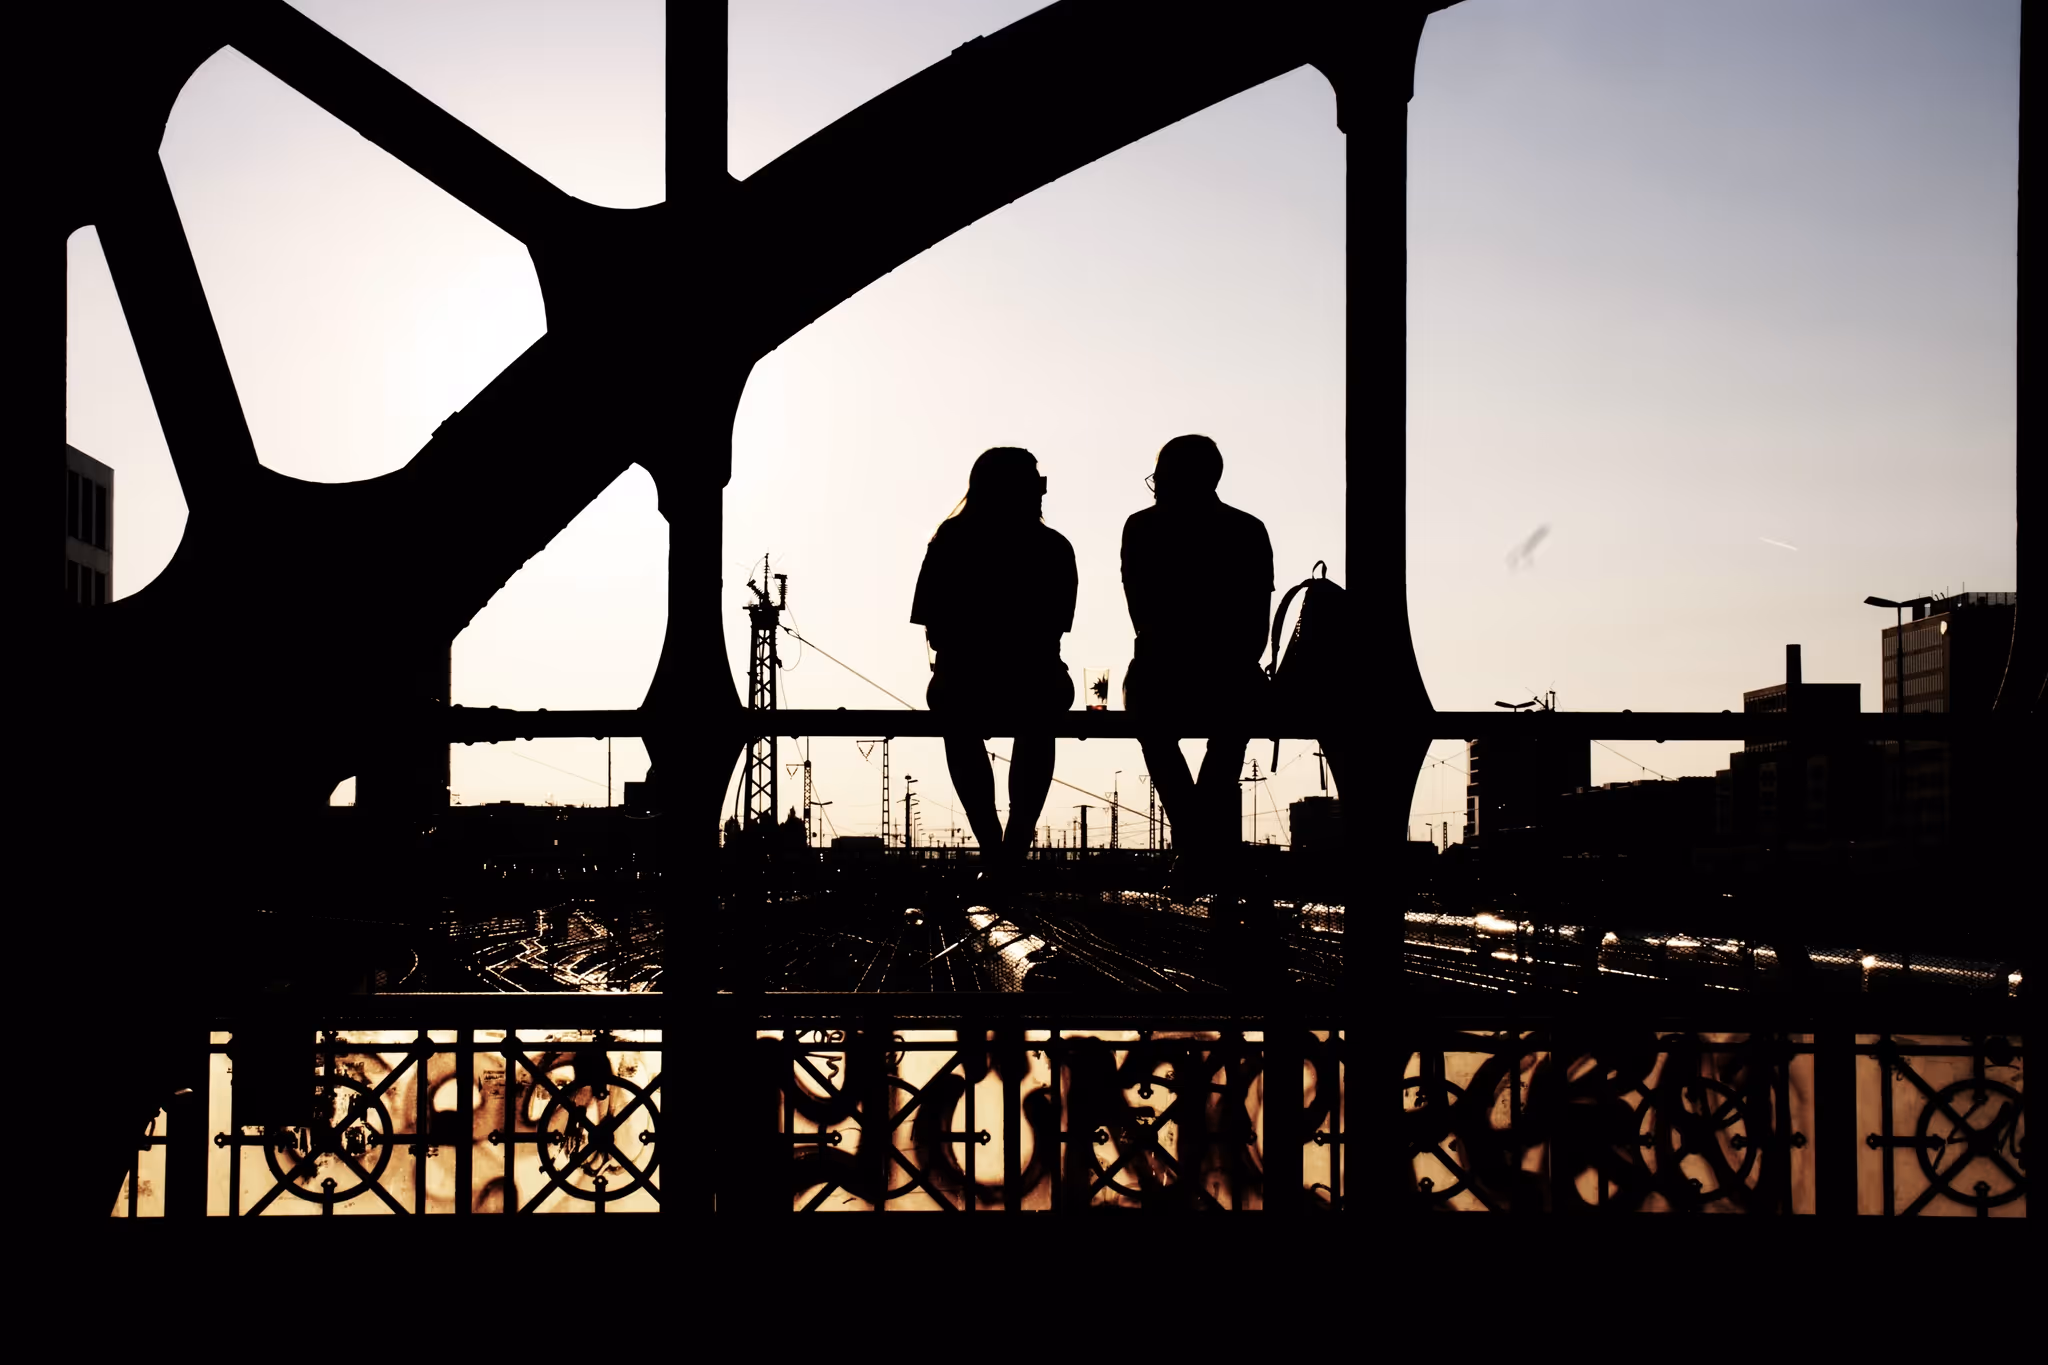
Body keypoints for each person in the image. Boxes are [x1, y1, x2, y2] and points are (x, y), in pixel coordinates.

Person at [911, 448, 1078, 895]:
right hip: (1035, 680)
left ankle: (992, 848)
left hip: (963, 680)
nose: (1043, 493)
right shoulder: (1054, 548)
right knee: (1039, 724)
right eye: (1037, 485)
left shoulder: (948, 540)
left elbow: (935, 629)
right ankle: (1013, 850)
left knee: (955, 721)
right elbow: (1053, 630)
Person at [1121, 434, 1273, 890]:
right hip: (1230, 674)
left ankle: (1191, 847)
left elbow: (1142, 616)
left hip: (1160, 672)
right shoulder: (1248, 530)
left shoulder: (1141, 528)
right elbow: (1256, 628)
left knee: (1155, 734)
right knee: (1228, 741)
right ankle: (1198, 849)